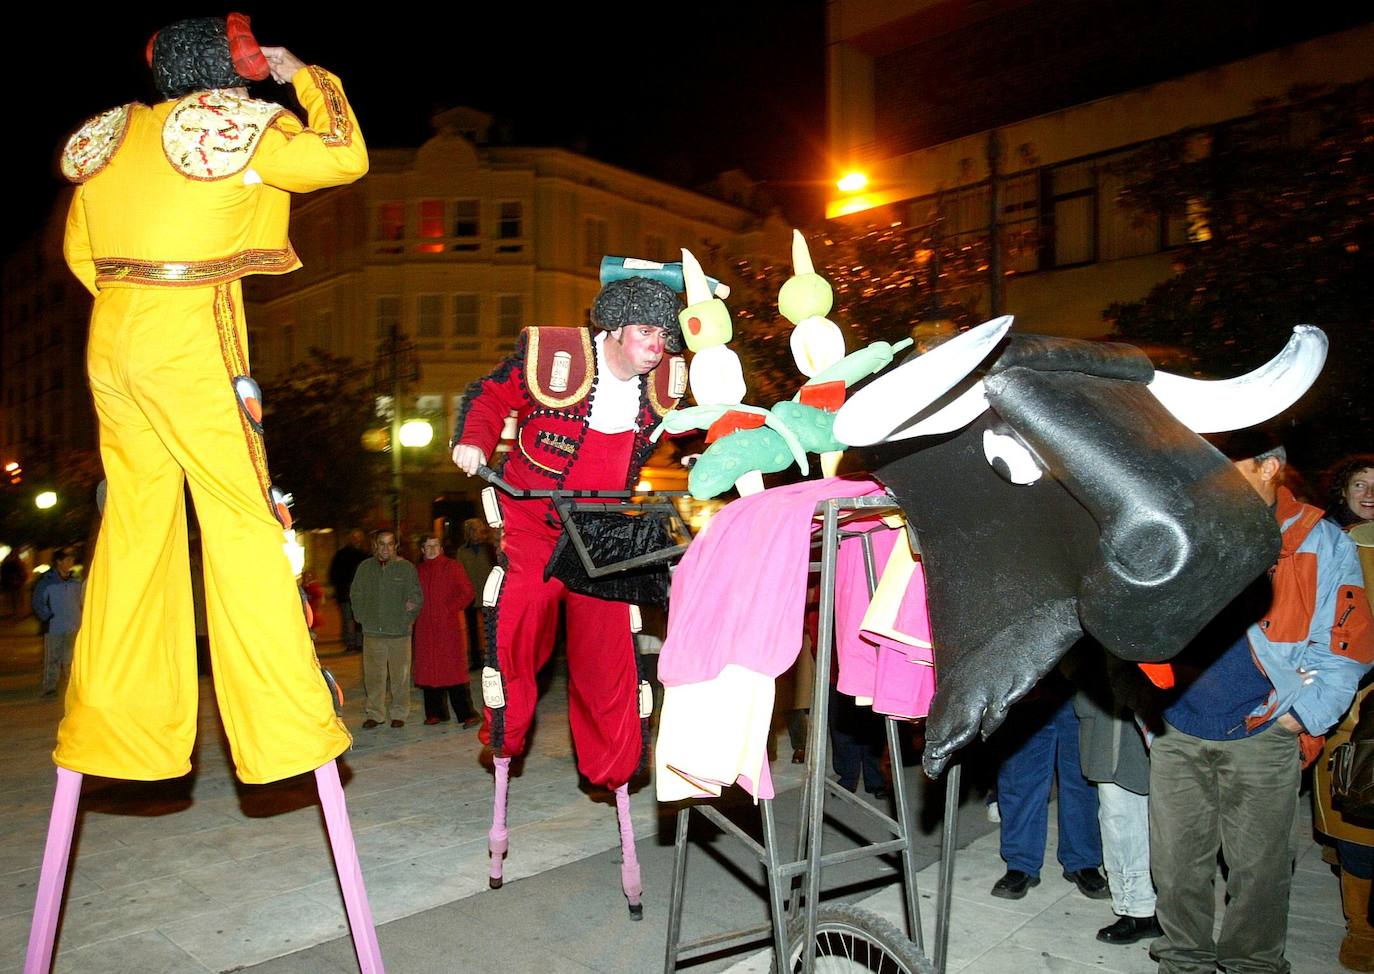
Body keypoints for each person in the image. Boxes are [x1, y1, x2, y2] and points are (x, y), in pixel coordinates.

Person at [53, 16, 366, 784]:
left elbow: (78, 254)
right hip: (187, 330)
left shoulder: (113, 136)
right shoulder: (234, 127)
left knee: (134, 525)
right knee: (240, 521)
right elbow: (344, 157)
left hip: (112, 335)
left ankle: (121, 735)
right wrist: (303, 75)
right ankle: (285, 731)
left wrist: (132, 314)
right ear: (227, 75)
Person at [450, 274, 685, 792]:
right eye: (647, 331)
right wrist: (474, 441)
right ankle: (506, 733)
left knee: (609, 649)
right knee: (521, 616)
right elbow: (489, 396)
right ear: (617, 327)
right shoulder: (556, 356)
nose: (656, 346)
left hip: (601, 528)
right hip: (534, 523)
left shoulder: (667, 379)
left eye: (664, 336)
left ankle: (614, 764)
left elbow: (701, 423)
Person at [1150, 438, 1374, 974]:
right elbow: (1142, 622)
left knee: (1260, 872)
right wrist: (1148, 703)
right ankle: (1183, 962)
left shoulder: (1320, 542)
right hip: (1180, 728)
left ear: (1269, 468)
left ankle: (1252, 964)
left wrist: (1303, 714)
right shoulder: (1185, 527)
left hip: (1265, 728)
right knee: (1178, 869)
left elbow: (1348, 643)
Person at [1314, 454, 1374, 971]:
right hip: (1351, 706)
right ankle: (1362, 929)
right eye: (1360, 484)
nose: (1370, 493)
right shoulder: (1331, 545)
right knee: (1355, 813)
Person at [988, 663, 1108, 901]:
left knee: (1083, 777)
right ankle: (1020, 863)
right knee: (1020, 775)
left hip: (1082, 679)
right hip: (1028, 677)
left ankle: (1083, 860)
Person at [1074, 655, 1161, 944]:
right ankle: (1134, 906)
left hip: (1152, 704)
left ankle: (1156, 905)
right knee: (1116, 815)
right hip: (1105, 706)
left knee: (1153, 817)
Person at [350, 531, 422, 728]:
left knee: (401, 676)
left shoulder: (406, 568)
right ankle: (375, 713)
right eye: (382, 544)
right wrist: (361, 618)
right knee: (373, 676)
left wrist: (407, 619)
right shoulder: (365, 568)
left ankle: (399, 713)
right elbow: (356, 594)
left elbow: (416, 597)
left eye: (390, 544)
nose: (385, 548)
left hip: (399, 633)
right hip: (373, 632)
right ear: (375, 545)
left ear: (395, 546)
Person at [413, 535, 479, 727]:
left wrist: (449, 609)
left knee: (453, 671)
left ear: (441, 548)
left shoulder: (452, 567)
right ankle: (436, 713)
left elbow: (467, 592)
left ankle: (467, 713)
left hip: (448, 628)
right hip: (425, 628)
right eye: (427, 546)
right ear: (422, 550)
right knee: (429, 670)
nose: (432, 549)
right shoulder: (417, 571)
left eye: (435, 545)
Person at [32, 548, 83, 698]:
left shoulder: (75, 581)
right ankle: (50, 687)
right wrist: (47, 616)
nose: (71, 563)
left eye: (72, 560)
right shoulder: (46, 582)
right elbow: (38, 602)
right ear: (58, 562)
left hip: (73, 625)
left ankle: (72, 687)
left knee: (71, 659)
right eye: (67, 560)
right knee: (52, 658)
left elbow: (81, 600)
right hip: (55, 626)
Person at [454, 518, 495, 670]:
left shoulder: (489, 548)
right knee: (472, 630)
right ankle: (476, 660)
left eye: (476, 529)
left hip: (488, 593)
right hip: (470, 594)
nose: (474, 532)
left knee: (490, 627)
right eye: (471, 530)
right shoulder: (462, 551)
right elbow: (459, 572)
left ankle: (492, 657)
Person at [329, 529, 370, 652]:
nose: (356, 540)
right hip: (346, 593)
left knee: (358, 619)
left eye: (358, 538)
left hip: (359, 594)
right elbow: (334, 574)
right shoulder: (342, 555)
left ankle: (357, 643)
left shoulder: (363, 555)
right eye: (354, 538)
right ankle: (350, 642)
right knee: (348, 619)